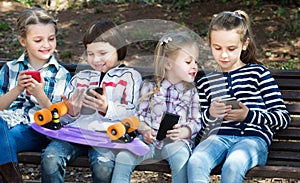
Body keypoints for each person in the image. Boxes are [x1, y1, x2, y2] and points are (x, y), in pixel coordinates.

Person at [188, 10, 291, 183]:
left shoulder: (258, 73)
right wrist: (210, 114)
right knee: (196, 162)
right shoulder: (206, 80)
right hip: (216, 138)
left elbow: (282, 117)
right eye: (217, 48)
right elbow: (199, 123)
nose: (224, 55)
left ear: (244, 44)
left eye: (231, 48)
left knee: (233, 164)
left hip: (252, 140)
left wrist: (248, 115)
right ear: (209, 44)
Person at [41, 20, 142, 183]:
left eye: (103, 53)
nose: (96, 59)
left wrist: (107, 107)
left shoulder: (130, 77)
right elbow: (64, 116)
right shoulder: (81, 78)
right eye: (90, 54)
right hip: (75, 134)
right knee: (51, 157)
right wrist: (71, 111)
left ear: (118, 49)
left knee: (103, 165)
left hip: (106, 137)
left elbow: (132, 111)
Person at [111, 32, 202, 183]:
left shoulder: (191, 92)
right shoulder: (150, 87)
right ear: (168, 64)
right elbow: (138, 116)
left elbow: (196, 120)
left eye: (196, 62)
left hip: (175, 142)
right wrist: (144, 129)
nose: (194, 66)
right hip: (149, 141)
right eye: (188, 62)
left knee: (181, 159)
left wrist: (185, 131)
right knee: (123, 158)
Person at [0, 8, 71, 183]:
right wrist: (16, 89)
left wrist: (40, 94)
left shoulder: (60, 74)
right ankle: (12, 178)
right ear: (23, 41)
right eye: (38, 40)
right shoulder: (10, 69)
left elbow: (59, 119)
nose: (46, 45)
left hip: (38, 128)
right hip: (6, 125)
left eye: (51, 39)